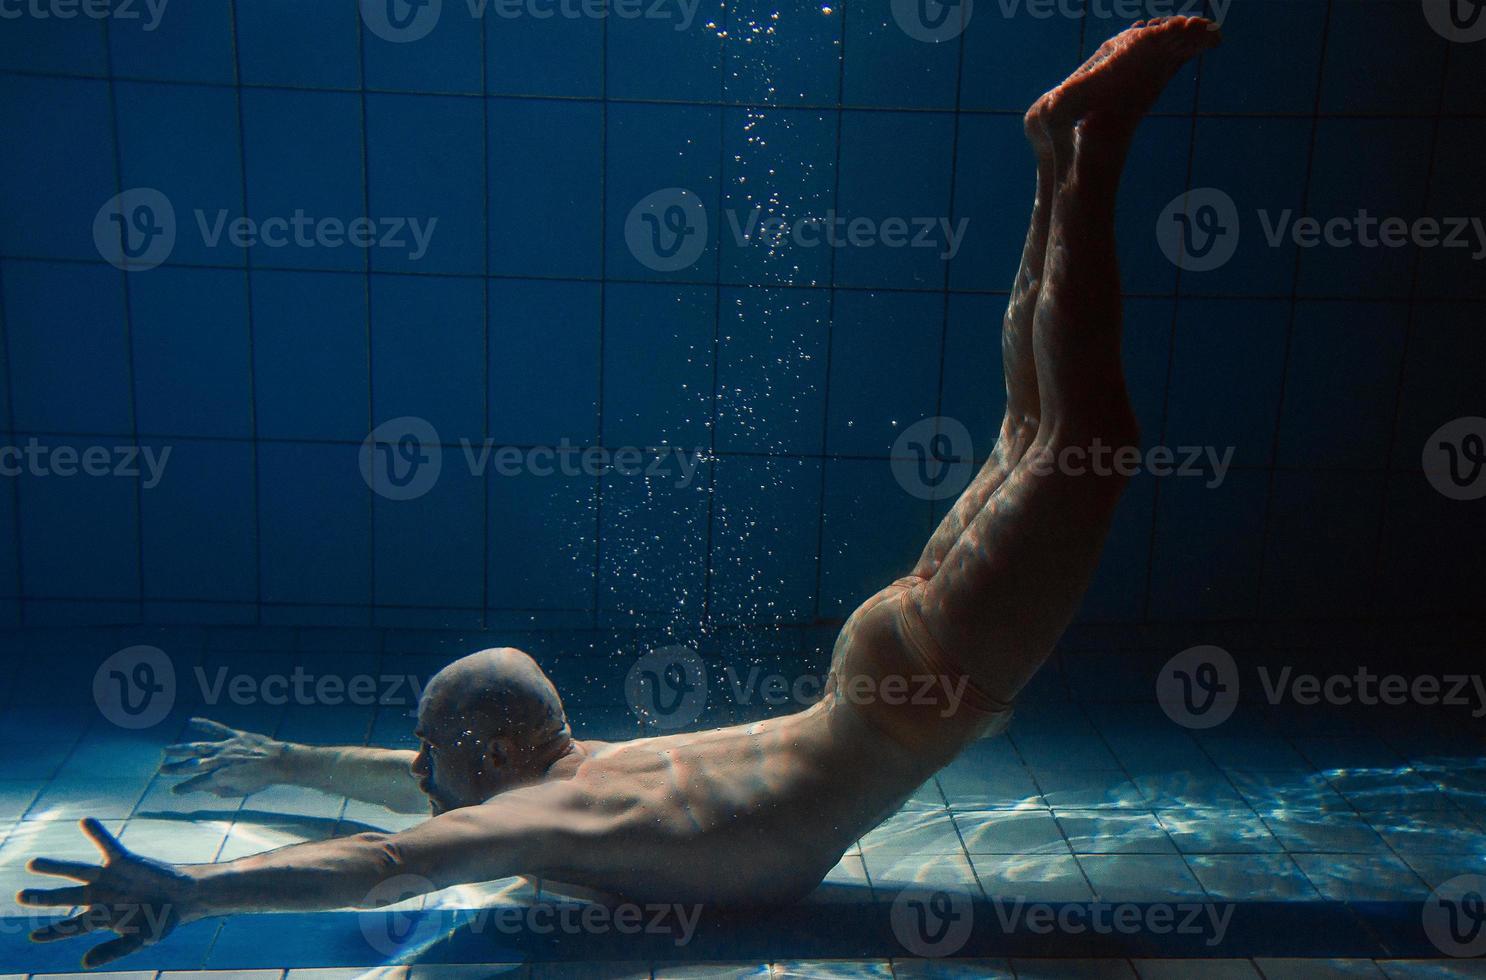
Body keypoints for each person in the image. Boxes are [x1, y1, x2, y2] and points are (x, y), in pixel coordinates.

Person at [21, 17, 1222, 967]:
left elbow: (393, 857)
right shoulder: (566, 768)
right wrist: (281, 758)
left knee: (1081, 440)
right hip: (888, 675)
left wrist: (192, 889)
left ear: (491, 752)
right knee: (1045, 428)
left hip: (918, 688)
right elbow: (414, 794)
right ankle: (1057, 154)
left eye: (437, 755)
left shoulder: (560, 816)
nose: (426, 774)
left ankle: (1089, 147)